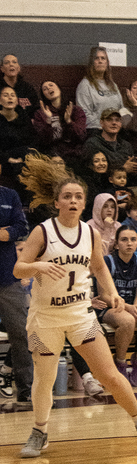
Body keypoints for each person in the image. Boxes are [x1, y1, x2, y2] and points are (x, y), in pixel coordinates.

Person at [14, 156, 137, 457]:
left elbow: (99, 268)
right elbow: (18, 269)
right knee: (44, 379)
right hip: (44, 318)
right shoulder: (42, 232)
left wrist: (112, 293)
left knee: (109, 374)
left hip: (81, 315)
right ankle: (39, 431)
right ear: (57, 202)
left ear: (84, 203)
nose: (73, 201)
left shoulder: (90, 233)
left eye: (78, 197)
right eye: (67, 197)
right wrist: (39, 266)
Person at [95, 225, 137, 386]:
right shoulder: (107, 261)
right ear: (117, 244)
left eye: (133, 240)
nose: (129, 243)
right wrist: (129, 308)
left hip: (133, 305)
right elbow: (104, 295)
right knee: (127, 321)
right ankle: (120, 362)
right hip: (110, 307)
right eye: (124, 240)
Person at [0, 166, 34, 411]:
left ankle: (26, 391)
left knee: (21, 334)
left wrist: (5, 233)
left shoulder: (9, 195)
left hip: (7, 276)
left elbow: (22, 227)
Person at [32, 81, 87, 160]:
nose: (49, 88)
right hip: (51, 152)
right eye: (45, 89)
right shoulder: (41, 113)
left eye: (51, 85)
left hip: (73, 152)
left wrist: (69, 121)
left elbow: (81, 136)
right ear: (44, 95)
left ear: (59, 89)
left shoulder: (75, 110)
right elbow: (42, 141)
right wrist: (49, 122)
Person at [76, 47, 125, 134]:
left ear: (107, 63)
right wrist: (104, 126)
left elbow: (121, 108)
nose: (100, 61)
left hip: (116, 131)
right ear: (92, 63)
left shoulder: (112, 85)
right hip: (96, 131)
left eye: (103, 58)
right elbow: (84, 114)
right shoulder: (85, 85)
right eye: (96, 58)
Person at [81, 108, 137, 177]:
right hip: (102, 186)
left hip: (127, 184)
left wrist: (136, 167)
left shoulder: (126, 145)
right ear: (101, 123)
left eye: (117, 120)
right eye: (109, 120)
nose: (114, 123)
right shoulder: (92, 144)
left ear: (121, 123)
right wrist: (123, 169)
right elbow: (90, 173)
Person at [0, 86, 36, 184]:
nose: (10, 98)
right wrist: (8, 159)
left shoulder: (24, 118)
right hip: (4, 158)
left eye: (12, 95)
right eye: (6, 95)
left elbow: (32, 140)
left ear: (16, 101)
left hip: (24, 156)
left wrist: (23, 158)